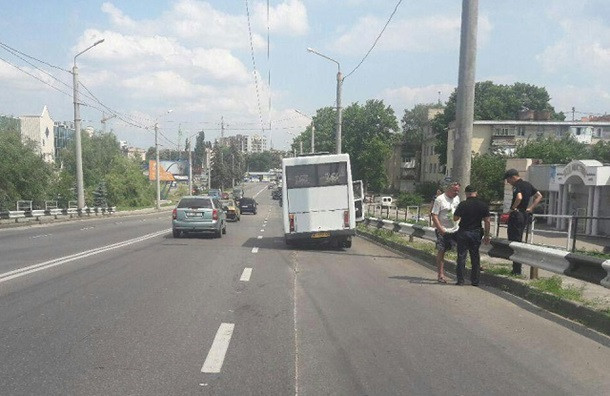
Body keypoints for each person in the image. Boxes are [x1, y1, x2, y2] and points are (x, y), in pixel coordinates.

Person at [504, 169, 543, 275]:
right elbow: (539, 196)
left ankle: (516, 270)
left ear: (513, 177)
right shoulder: (528, 185)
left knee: (514, 241)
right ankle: (517, 268)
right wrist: (531, 208)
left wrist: (512, 208)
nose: (508, 182)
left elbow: (519, 197)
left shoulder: (517, 185)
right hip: (524, 215)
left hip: (516, 215)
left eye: (508, 180)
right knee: (519, 239)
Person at [453, 185, 491, 286]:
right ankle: (475, 281)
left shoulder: (463, 204)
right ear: (476, 192)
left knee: (461, 256)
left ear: (466, 193)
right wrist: (487, 235)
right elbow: (487, 221)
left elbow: (455, 218)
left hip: (463, 232)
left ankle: (460, 280)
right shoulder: (483, 205)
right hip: (476, 232)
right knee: (475, 256)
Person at [430, 181, 460, 283]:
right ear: (448, 189)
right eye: (455, 190)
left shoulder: (457, 198)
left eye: (458, 191)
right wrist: (440, 228)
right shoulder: (440, 199)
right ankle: (440, 275)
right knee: (442, 251)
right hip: (443, 230)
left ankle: (459, 275)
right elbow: (434, 215)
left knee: (460, 251)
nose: (456, 193)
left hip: (455, 229)